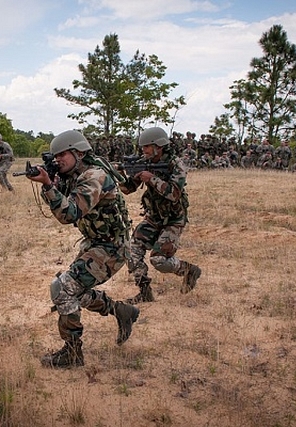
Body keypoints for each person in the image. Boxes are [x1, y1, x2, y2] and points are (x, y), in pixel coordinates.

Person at [25, 130, 140, 368]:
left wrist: (48, 185)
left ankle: (73, 354)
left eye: (62, 155)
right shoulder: (76, 174)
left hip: (112, 246)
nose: (58, 160)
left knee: (63, 288)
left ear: (79, 153)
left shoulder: (93, 176)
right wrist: (53, 183)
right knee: (73, 291)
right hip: (96, 243)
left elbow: (69, 214)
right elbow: (61, 206)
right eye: (55, 156)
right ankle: (121, 311)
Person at [119, 127, 201, 304]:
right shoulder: (143, 162)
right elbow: (128, 189)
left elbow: (174, 194)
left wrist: (151, 179)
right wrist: (118, 174)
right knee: (131, 253)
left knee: (159, 260)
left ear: (159, 146)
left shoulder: (175, 165)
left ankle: (188, 270)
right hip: (153, 217)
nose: (143, 151)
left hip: (173, 218)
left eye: (146, 147)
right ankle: (145, 292)